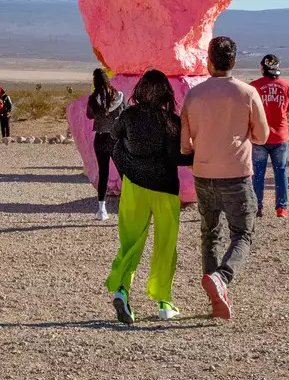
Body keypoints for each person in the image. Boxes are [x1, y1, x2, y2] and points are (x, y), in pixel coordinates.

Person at [180, 36, 269, 321]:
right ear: (234, 61)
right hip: (236, 176)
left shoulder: (194, 95)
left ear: (208, 61)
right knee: (243, 233)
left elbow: (185, 145)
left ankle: (216, 299)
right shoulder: (247, 93)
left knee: (210, 234)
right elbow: (262, 136)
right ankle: (222, 278)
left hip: (203, 175)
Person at [105, 70, 194, 323]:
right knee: (165, 245)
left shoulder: (129, 116)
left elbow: (113, 138)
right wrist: (199, 156)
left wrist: (125, 164)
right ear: (165, 92)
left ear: (141, 90)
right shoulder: (170, 121)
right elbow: (176, 158)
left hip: (134, 187)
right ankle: (165, 302)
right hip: (165, 190)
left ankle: (122, 291)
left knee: (131, 242)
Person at [248, 54, 289, 218]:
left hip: (259, 136)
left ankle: (257, 206)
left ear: (262, 68)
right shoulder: (286, 85)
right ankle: (281, 208)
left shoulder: (254, 86)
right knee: (281, 172)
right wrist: (281, 112)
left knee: (258, 173)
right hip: (280, 136)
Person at [85, 69, 128, 221]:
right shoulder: (120, 96)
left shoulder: (93, 99)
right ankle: (130, 206)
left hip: (101, 139)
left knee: (103, 174)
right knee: (124, 172)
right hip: (116, 139)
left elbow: (89, 115)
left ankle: (102, 210)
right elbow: (125, 114)